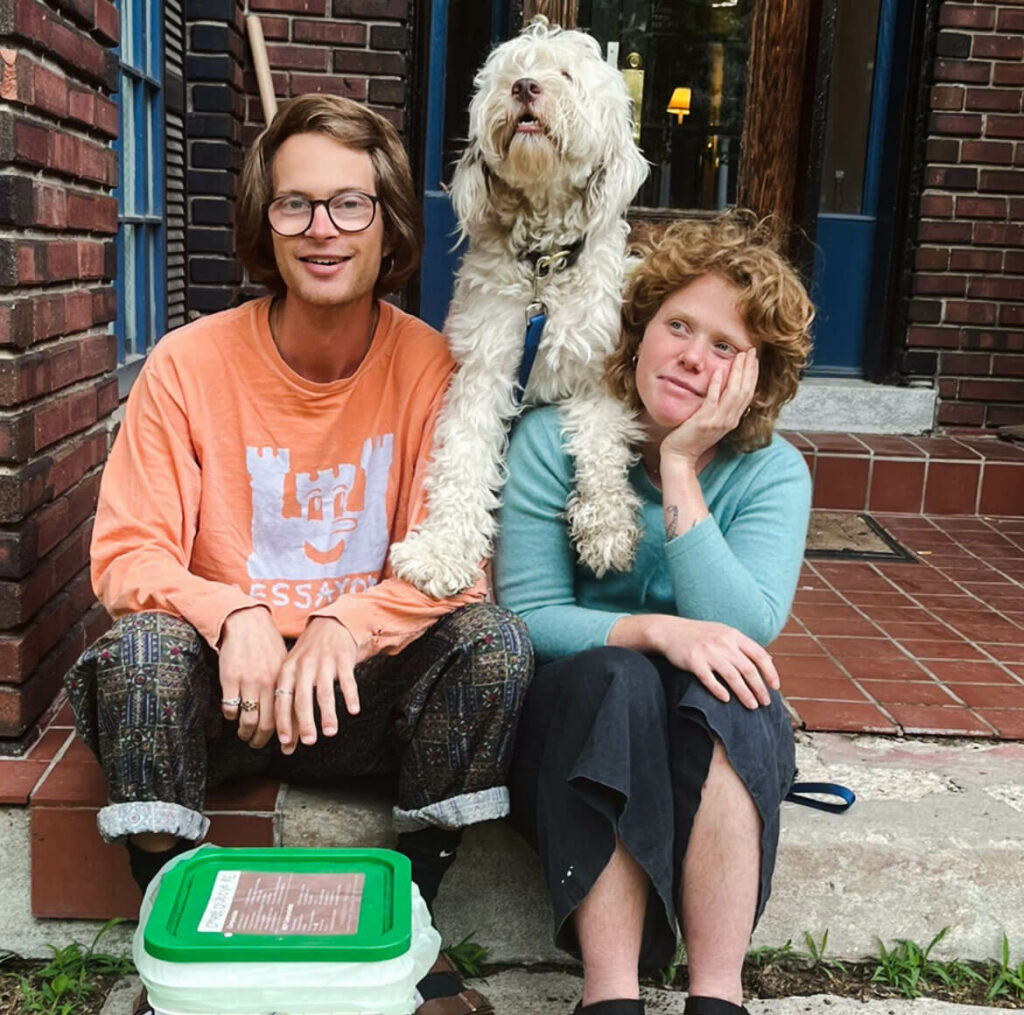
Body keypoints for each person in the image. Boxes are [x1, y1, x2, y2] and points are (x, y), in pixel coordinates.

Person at [65, 94, 532, 1015]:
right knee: (139, 654)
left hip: (363, 694)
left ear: (389, 220)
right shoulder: (187, 364)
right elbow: (126, 551)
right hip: (228, 696)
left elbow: (458, 566)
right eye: (296, 204)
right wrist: (232, 614)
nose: (323, 229)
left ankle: (411, 934)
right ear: (264, 220)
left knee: (495, 644)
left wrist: (343, 625)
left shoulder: (434, 370)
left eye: (349, 204)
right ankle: (181, 932)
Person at [495, 213, 814, 1015]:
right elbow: (527, 615)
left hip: (702, 736)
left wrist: (679, 465)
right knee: (617, 675)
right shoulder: (553, 439)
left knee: (734, 689)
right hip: (577, 735)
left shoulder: (773, 473)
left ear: (756, 377)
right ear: (638, 330)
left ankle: (716, 996)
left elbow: (747, 624)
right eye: (678, 325)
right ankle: (610, 998)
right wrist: (654, 630)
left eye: (723, 347)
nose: (691, 356)